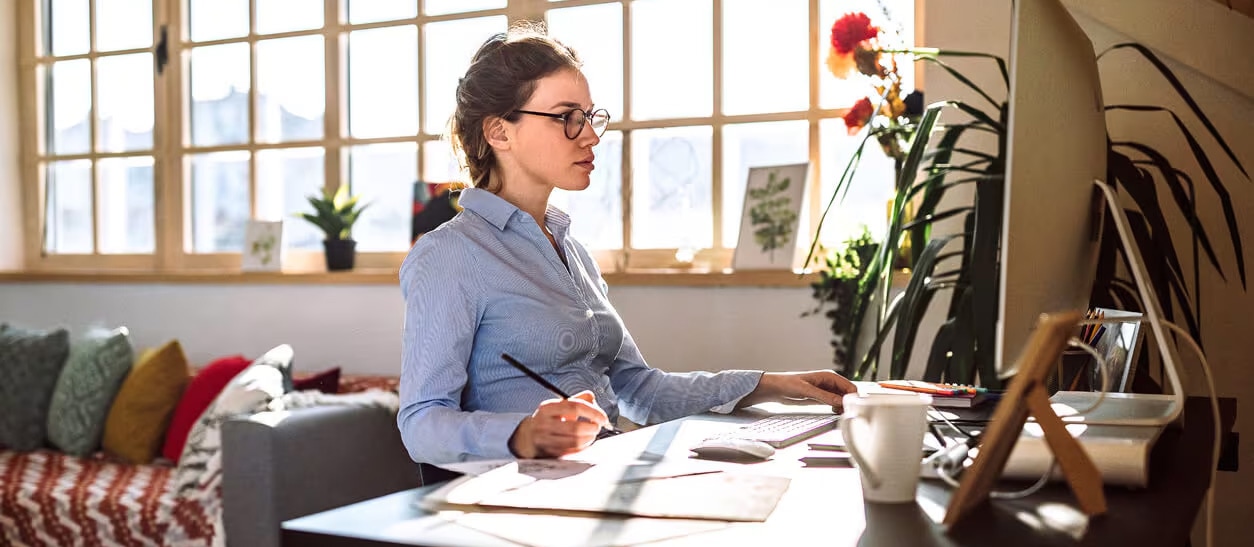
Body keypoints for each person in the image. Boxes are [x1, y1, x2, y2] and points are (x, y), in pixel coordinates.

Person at [398, 22, 856, 466]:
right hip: (514, 502)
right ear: (499, 132)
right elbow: (421, 423)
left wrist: (770, 384)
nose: (592, 135)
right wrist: (521, 434)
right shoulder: (449, 255)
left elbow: (642, 390)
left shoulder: (570, 250)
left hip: (596, 477)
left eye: (590, 116)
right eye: (567, 119)